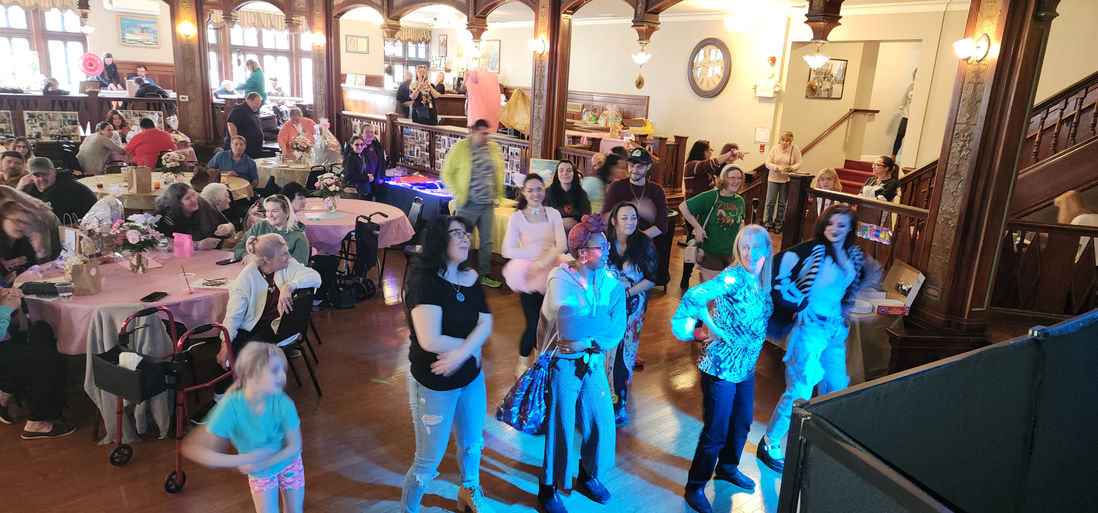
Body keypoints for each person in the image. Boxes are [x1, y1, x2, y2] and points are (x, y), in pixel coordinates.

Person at [758, 205, 882, 474]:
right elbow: (774, 271)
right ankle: (769, 442)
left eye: (842, 225)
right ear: (823, 224)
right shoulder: (809, 250)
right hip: (809, 331)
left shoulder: (852, 255)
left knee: (834, 387)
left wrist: (851, 306)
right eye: (831, 223)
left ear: (850, 228)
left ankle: (821, 442)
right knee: (800, 391)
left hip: (835, 331)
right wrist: (797, 305)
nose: (834, 229)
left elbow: (867, 276)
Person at [671, 225, 774, 513]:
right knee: (716, 430)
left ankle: (727, 468)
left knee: (742, 422)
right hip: (720, 366)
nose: (750, 253)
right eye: (744, 246)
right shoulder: (734, 276)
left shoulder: (762, 282)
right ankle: (695, 486)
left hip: (746, 367)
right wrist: (707, 328)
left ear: (767, 250)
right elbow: (694, 296)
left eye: (756, 247)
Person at [400, 216, 495, 513]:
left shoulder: (471, 277)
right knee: (428, 461)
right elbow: (430, 340)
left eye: (467, 233)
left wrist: (463, 352)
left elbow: (486, 323)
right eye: (457, 234)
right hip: (434, 385)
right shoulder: (424, 282)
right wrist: (470, 349)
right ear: (439, 240)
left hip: (471, 378)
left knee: (472, 444)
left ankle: (469, 492)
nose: (466, 238)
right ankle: (408, 509)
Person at [537, 214, 626, 513]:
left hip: (592, 359)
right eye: (601, 246)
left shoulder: (612, 284)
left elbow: (616, 330)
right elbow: (567, 328)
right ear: (582, 253)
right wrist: (597, 325)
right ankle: (548, 486)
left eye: (606, 244)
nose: (608, 250)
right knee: (560, 424)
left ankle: (588, 475)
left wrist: (588, 336)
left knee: (602, 420)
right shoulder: (560, 278)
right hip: (561, 361)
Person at [182, 343, 305, 513]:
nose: (283, 376)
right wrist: (245, 459)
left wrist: (263, 460)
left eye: (283, 369)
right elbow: (194, 449)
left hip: (289, 463)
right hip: (260, 472)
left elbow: (295, 446)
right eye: (275, 370)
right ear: (253, 374)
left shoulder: (283, 403)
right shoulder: (231, 406)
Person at [217, 234, 320, 372]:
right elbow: (234, 313)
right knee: (229, 352)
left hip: (281, 327)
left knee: (245, 355)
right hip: (253, 324)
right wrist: (226, 342)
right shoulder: (247, 276)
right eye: (284, 254)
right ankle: (229, 384)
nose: (289, 256)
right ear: (267, 259)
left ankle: (252, 382)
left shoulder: (289, 265)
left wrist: (289, 286)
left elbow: (315, 277)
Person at [501, 174, 567, 357]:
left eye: (539, 189)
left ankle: (539, 364)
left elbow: (562, 245)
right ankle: (522, 365)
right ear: (523, 192)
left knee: (549, 325)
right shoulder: (517, 217)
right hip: (527, 274)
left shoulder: (553, 213)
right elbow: (507, 250)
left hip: (552, 270)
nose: (535, 194)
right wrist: (538, 257)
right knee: (533, 324)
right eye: (530, 190)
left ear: (544, 189)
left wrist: (542, 262)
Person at [604, 202, 656, 426]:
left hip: (632, 305)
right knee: (605, 352)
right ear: (613, 220)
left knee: (625, 354)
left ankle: (618, 406)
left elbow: (652, 278)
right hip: (605, 307)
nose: (630, 222)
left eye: (633, 218)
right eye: (624, 218)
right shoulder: (603, 242)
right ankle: (600, 401)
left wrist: (626, 293)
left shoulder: (644, 243)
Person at [0, 288, 75, 439]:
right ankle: (37, 423)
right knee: (50, 361)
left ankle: (6, 392)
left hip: (6, 340)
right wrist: (6, 308)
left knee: (42, 329)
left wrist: (5, 293)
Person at [440, 119, 505, 288]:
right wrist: (459, 193)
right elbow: (447, 173)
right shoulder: (461, 148)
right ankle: (456, 271)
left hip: (487, 204)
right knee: (461, 239)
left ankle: (484, 274)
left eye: (487, 134)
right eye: (483, 133)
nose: (486, 137)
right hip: (468, 204)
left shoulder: (493, 148)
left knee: (486, 242)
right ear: (474, 132)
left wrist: (497, 194)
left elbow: (498, 172)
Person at [681, 143, 744, 288]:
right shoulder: (693, 165)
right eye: (709, 149)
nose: (711, 151)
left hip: (710, 215)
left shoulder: (739, 200)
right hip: (697, 212)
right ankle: (686, 277)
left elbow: (720, 169)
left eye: (738, 178)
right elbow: (710, 164)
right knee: (695, 245)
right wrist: (730, 153)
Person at [601, 147, 668, 239]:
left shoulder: (656, 190)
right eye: (631, 165)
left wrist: (638, 239)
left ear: (648, 166)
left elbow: (662, 225)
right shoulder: (616, 186)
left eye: (639, 167)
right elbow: (604, 219)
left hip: (646, 240)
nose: (634, 170)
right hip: (619, 239)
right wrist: (631, 206)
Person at [154, 183, 235, 250]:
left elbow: (229, 225)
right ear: (177, 204)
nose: (193, 199)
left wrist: (227, 228)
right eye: (187, 198)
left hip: (207, 255)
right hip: (175, 257)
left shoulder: (203, 204)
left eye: (193, 194)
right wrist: (197, 244)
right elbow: (157, 241)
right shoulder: (164, 214)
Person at [235, 195, 309, 265]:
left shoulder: (298, 238)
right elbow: (239, 247)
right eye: (267, 211)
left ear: (287, 211)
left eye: (274, 211)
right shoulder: (260, 226)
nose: (269, 215)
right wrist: (245, 255)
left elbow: (299, 267)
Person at [19, 157, 97, 222]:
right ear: (31, 176)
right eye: (37, 175)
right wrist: (20, 187)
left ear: (54, 172)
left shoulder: (66, 188)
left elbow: (42, 219)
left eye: (45, 174)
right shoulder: (32, 187)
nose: (41, 179)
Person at [763, 131, 803, 234]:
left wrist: (791, 168)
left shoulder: (794, 149)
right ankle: (768, 223)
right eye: (783, 140)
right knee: (770, 202)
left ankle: (778, 224)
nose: (784, 143)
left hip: (786, 180)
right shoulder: (775, 148)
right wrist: (777, 167)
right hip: (773, 178)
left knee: (782, 204)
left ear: (790, 142)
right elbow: (768, 163)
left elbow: (799, 162)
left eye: (787, 141)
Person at [0, 200, 49, 277]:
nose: (22, 226)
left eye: (25, 223)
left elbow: (44, 274)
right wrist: (3, 268)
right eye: (17, 221)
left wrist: (39, 251)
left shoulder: (23, 241)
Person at [545, 160, 592, 232]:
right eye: (561, 170)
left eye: (569, 170)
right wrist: (559, 223)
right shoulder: (547, 193)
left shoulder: (582, 195)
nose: (565, 173)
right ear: (557, 174)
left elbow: (587, 220)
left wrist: (577, 225)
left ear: (574, 173)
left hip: (577, 233)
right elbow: (542, 219)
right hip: (552, 233)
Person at [1054, 190, 1098, 264]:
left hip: (1088, 265)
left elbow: (1069, 249)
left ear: (1066, 207)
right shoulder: (1095, 216)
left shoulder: (1079, 220)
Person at [226, 93, 265, 158]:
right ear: (249, 101)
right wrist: (236, 141)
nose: (258, 106)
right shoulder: (239, 110)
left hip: (253, 150)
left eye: (259, 104)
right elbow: (231, 124)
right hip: (242, 150)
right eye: (256, 103)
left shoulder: (253, 112)